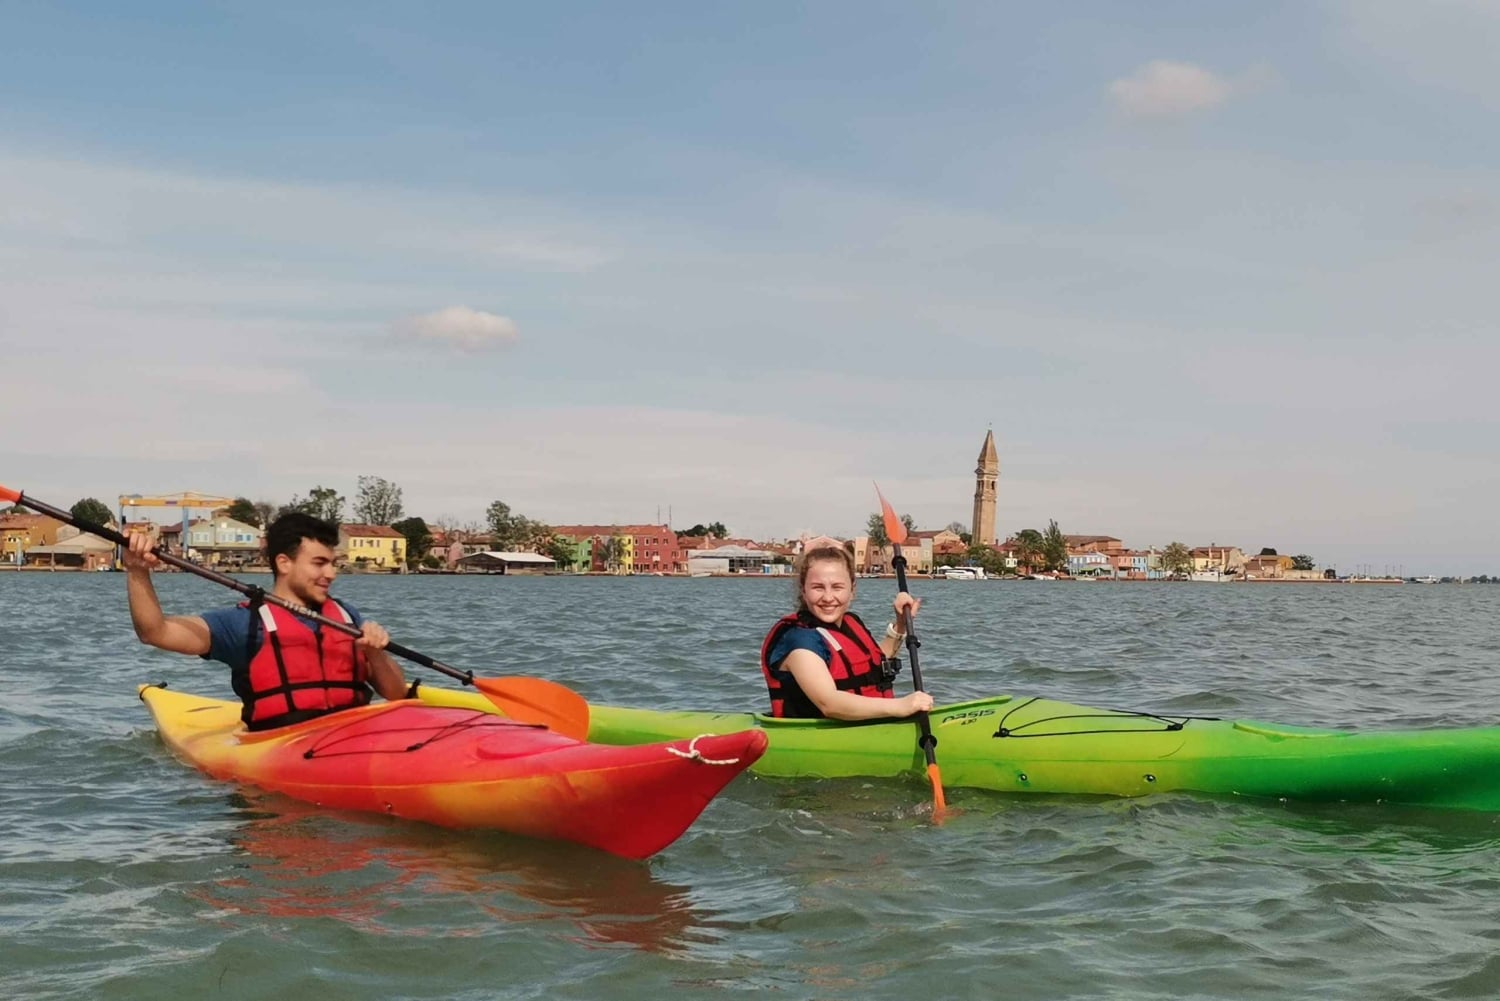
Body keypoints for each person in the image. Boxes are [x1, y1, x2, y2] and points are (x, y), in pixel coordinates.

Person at [123, 512, 409, 730]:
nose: (331, 574)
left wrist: (375, 653)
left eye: (333, 563)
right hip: (281, 745)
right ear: (284, 563)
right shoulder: (244, 624)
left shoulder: (347, 617)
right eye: (319, 563)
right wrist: (137, 571)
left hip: (354, 733)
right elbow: (156, 632)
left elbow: (397, 694)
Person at [759, 539, 935, 720]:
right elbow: (829, 704)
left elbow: (873, 662)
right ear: (803, 591)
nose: (828, 597)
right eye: (818, 587)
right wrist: (901, 706)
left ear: (852, 591)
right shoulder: (798, 641)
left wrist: (901, 624)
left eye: (837, 587)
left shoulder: (849, 623)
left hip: (863, 726)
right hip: (816, 733)